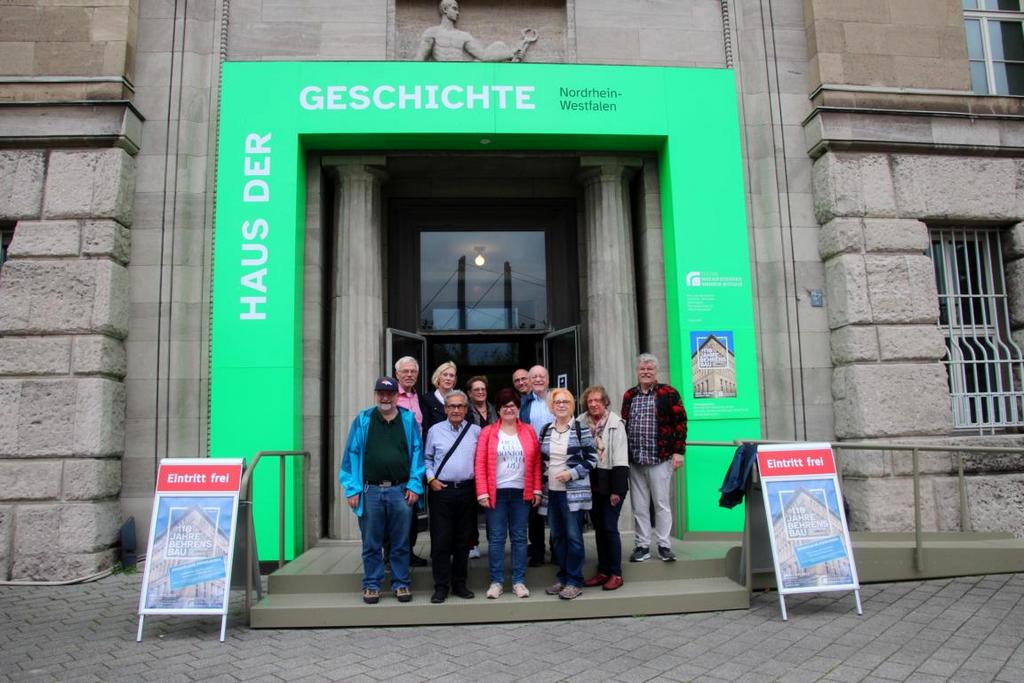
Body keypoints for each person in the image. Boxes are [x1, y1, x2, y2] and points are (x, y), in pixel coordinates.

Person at [339, 377, 424, 604]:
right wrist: (352, 489)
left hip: (400, 491)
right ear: (376, 395)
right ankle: (372, 585)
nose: (385, 398)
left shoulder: (408, 420)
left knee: (401, 542)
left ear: (397, 395)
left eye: (390, 394)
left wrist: (415, 485)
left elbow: (418, 453)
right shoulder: (364, 420)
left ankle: (401, 583)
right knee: (371, 543)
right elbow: (351, 454)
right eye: (381, 393)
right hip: (370, 492)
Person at [474, 387, 542, 600]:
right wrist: (482, 492)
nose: (509, 409)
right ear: (498, 409)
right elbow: (480, 464)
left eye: (512, 405)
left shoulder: (529, 431)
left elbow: (537, 462)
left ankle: (519, 581)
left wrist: (537, 488)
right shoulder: (488, 432)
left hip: (522, 492)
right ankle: (496, 582)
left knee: (520, 538)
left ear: (518, 408)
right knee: (495, 539)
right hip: (497, 493)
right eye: (504, 406)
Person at [621, 353, 687, 563]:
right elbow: (624, 424)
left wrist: (679, 452)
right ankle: (642, 545)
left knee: (661, 504)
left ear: (656, 372)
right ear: (637, 371)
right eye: (642, 369)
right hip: (636, 460)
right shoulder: (629, 395)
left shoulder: (669, 393)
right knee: (639, 506)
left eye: (650, 369)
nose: (646, 372)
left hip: (661, 458)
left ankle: (664, 545)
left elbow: (681, 423)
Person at [538, 388, 597, 600]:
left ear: (571, 405)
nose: (561, 405)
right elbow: (540, 461)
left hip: (572, 494)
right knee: (557, 538)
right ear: (552, 407)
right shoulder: (546, 430)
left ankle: (574, 581)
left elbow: (592, 459)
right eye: (557, 402)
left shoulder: (581, 429)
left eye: (565, 401)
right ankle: (563, 578)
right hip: (551, 494)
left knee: (574, 538)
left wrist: (571, 473)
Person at [424, 390, 481, 603]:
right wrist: (431, 480)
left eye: (460, 406)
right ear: (446, 408)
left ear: (466, 409)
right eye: (452, 406)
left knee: (462, 540)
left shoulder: (475, 431)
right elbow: (427, 458)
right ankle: (441, 587)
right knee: (440, 541)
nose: (456, 410)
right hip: (441, 491)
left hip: (467, 491)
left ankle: (459, 584)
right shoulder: (434, 431)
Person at [580, 385, 630, 590]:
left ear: (605, 402)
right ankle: (603, 571)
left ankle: (616, 573)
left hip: (611, 482)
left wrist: (617, 491)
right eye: (590, 401)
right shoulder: (580, 422)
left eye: (597, 400)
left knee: (609, 528)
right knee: (599, 529)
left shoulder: (615, 423)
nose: (593, 404)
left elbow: (620, 456)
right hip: (590, 483)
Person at [410, 360, 458, 567]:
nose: (448, 378)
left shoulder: (459, 399)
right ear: (437, 377)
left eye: (452, 375)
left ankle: (457, 550)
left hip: (457, 465)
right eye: (445, 374)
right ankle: (439, 552)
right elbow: (426, 430)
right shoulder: (427, 400)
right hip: (436, 464)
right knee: (438, 517)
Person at [519, 364, 553, 566]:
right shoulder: (524, 403)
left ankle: (557, 549)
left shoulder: (558, 398)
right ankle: (538, 551)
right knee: (534, 507)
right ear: (529, 381)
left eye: (542, 376)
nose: (538, 380)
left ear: (548, 379)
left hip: (556, 460)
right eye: (534, 377)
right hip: (532, 461)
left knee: (556, 506)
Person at [415, 0, 524, 62]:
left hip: (462, 73)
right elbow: (419, 59)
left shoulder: (463, 36)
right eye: (454, 8)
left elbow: (483, 56)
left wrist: (510, 53)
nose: (458, 13)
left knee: (499, 45)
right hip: (439, 75)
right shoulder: (432, 32)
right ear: (445, 10)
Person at [394, 356, 424, 428]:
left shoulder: (416, 396)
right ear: (397, 375)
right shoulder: (391, 396)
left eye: (413, 371)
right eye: (405, 371)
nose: (409, 375)